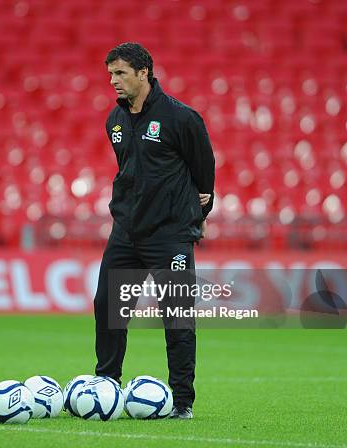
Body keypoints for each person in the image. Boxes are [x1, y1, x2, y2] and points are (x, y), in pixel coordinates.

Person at [94, 42, 215, 419]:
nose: (113, 80)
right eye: (111, 73)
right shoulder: (113, 120)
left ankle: (182, 402)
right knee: (108, 308)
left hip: (169, 235)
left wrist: (194, 219)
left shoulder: (181, 118)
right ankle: (105, 387)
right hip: (126, 232)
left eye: (120, 73)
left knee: (177, 316)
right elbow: (129, 173)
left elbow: (204, 175)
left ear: (143, 72)